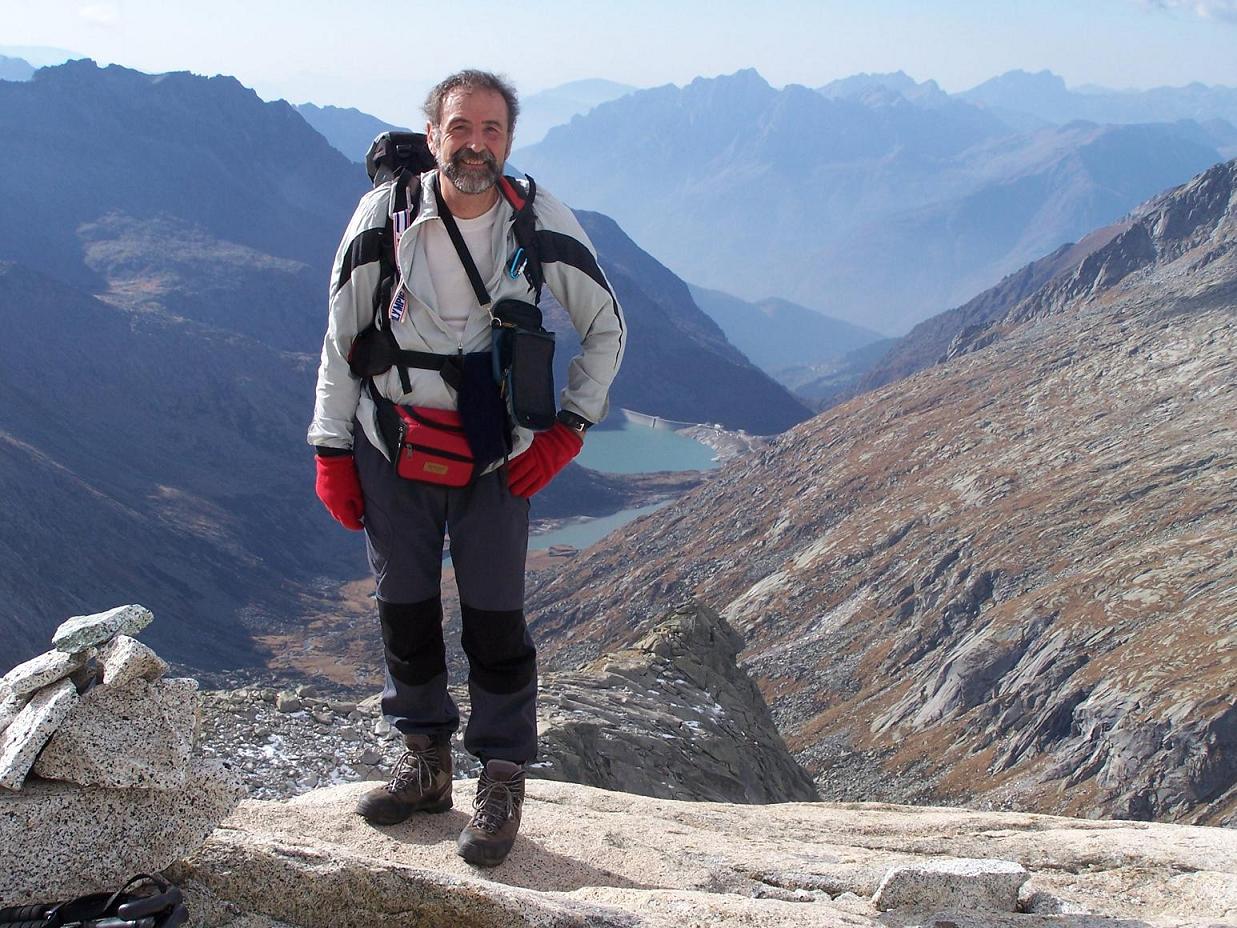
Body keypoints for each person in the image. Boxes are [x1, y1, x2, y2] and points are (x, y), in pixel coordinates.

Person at [307, 70, 625, 867]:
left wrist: (567, 432)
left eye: (490, 129)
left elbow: (606, 328)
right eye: (459, 127)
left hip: (496, 456)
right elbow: (342, 337)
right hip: (392, 446)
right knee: (404, 610)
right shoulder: (385, 216)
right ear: (434, 133)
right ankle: (423, 761)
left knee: (494, 619)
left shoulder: (538, 220)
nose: (474, 144)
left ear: (508, 141)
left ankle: (501, 772)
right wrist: (330, 450)